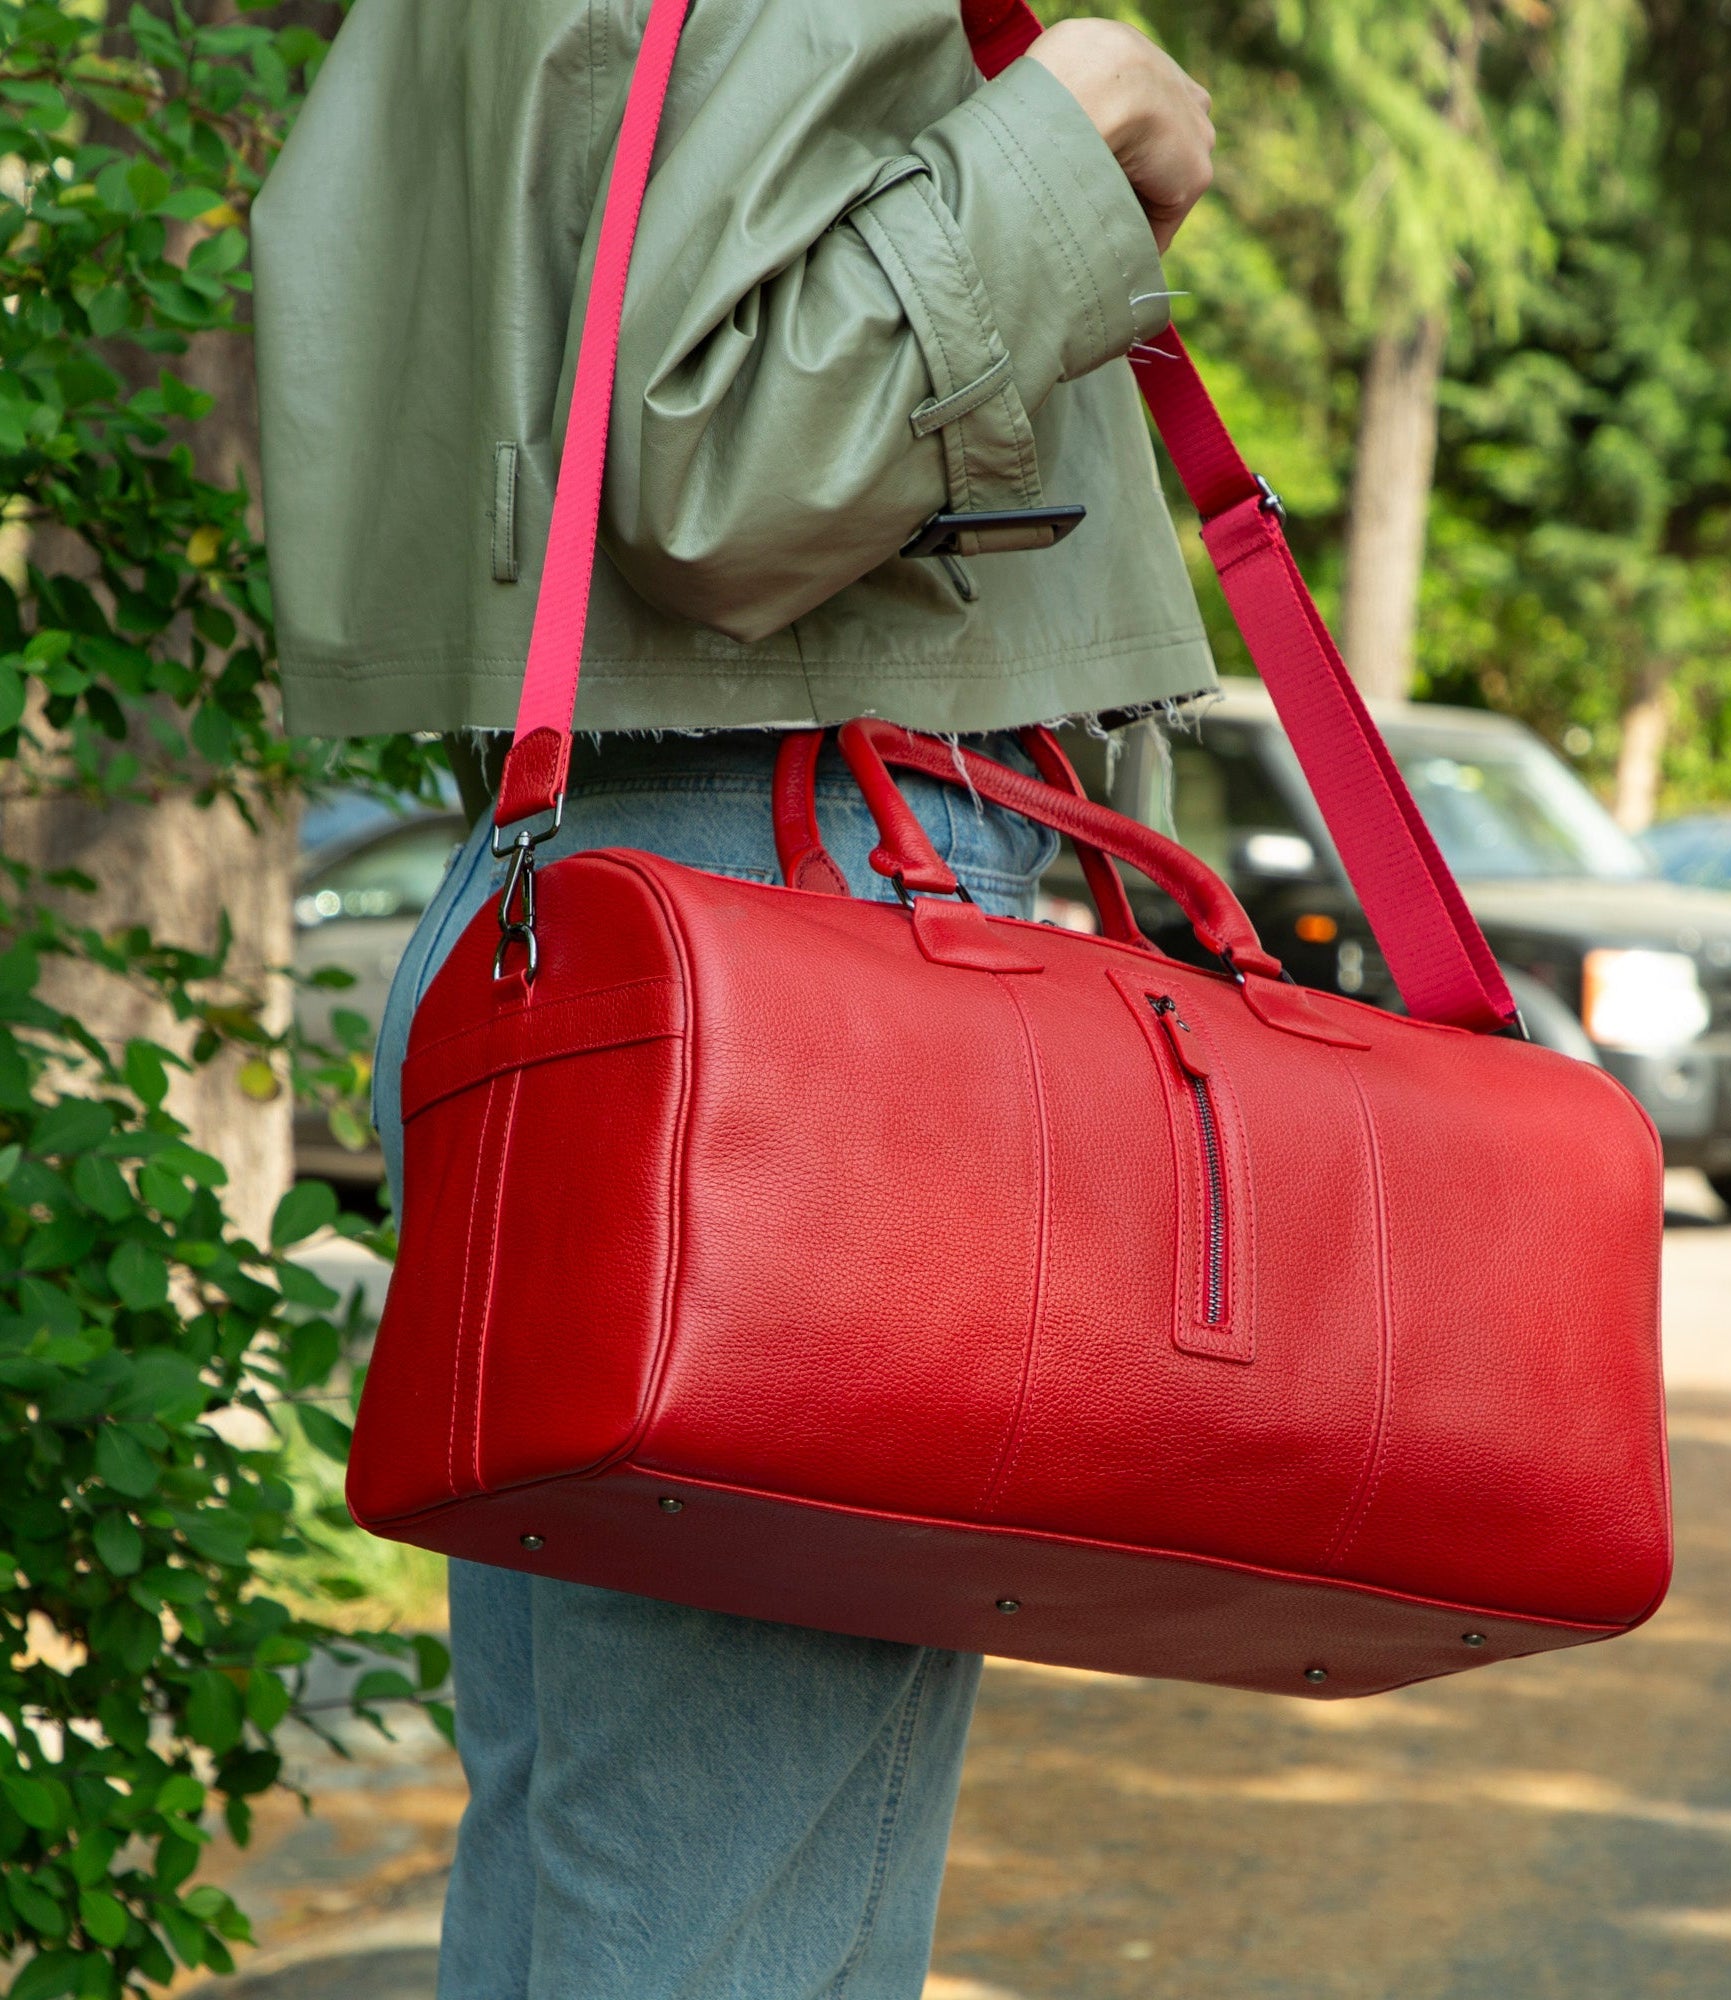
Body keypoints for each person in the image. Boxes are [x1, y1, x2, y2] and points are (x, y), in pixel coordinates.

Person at [253, 1, 1219, 1992]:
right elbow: (734, 469)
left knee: (604, 1877)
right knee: (721, 1914)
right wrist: (1081, 116)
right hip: (802, 946)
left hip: (607, 913)